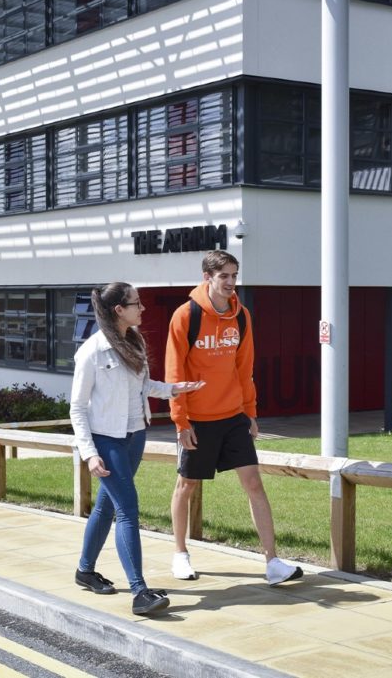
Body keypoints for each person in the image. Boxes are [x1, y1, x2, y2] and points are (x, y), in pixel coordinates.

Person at [165, 250, 303, 586]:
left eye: (234, 275)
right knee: (187, 485)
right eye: (223, 276)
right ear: (208, 277)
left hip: (233, 418)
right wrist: (181, 422)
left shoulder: (242, 317)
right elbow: (174, 371)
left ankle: (273, 563)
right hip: (197, 420)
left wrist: (250, 414)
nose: (230, 282)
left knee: (254, 483)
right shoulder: (185, 316)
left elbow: (245, 369)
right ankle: (180, 554)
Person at [70, 283, 205, 616]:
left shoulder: (134, 342)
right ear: (119, 310)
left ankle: (85, 571)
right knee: (127, 510)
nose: (142, 308)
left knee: (106, 505)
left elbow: (143, 387)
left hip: (134, 435)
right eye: (136, 304)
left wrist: (175, 388)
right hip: (107, 440)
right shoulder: (92, 351)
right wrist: (89, 453)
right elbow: (77, 407)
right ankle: (140, 592)